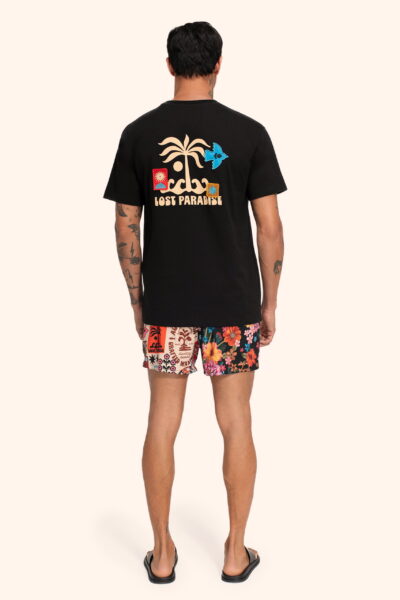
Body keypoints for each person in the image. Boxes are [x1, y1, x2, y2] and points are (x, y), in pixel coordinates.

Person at [103, 21, 287, 584]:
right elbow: (270, 227)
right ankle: (235, 553)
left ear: (169, 65)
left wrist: (138, 301)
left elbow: (126, 224)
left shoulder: (140, 133)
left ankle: (162, 554)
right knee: (236, 422)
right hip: (233, 305)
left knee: (162, 422)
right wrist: (269, 303)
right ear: (219, 63)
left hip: (168, 305)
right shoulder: (249, 133)